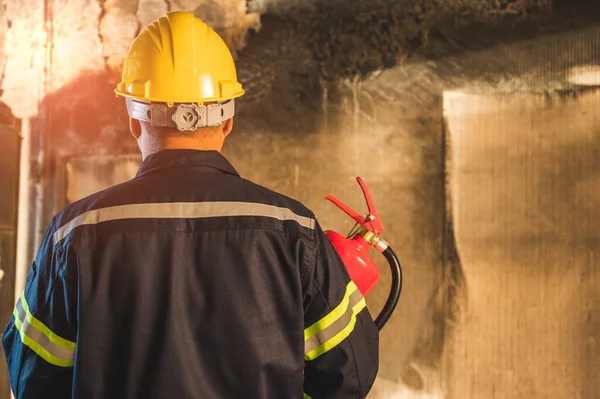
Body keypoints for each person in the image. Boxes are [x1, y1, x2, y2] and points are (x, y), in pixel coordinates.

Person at [2, 11, 378, 399]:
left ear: (135, 121)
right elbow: (349, 373)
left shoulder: (74, 234)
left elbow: (31, 378)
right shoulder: (294, 229)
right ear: (228, 121)